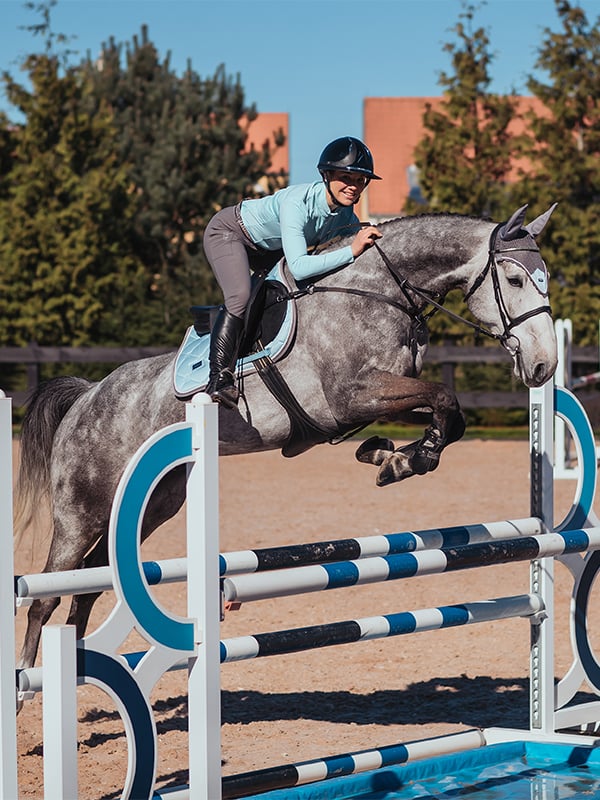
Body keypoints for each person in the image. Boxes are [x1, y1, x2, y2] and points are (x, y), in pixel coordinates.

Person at [202, 136, 383, 408]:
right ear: (327, 175)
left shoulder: (347, 217)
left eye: (360, 181)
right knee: (240, 295)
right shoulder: (297, 203)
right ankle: (218, 378)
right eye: (347, 177)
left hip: (270, 247)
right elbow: (299, 267)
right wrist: (351, 251)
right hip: (230, 232)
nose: (354, 187)